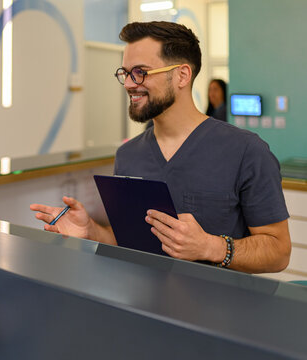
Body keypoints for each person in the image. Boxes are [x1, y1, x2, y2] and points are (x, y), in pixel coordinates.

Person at [31, 21, 291, 274]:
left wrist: (210, 246)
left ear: (182, 75)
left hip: (219, 314)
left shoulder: (247, 151)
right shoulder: (129, 155)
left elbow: (278, 252)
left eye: (141, 72)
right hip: (143, 308)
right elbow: (129, 240)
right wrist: (91, 232)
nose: (130, 84)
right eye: (125, 73)